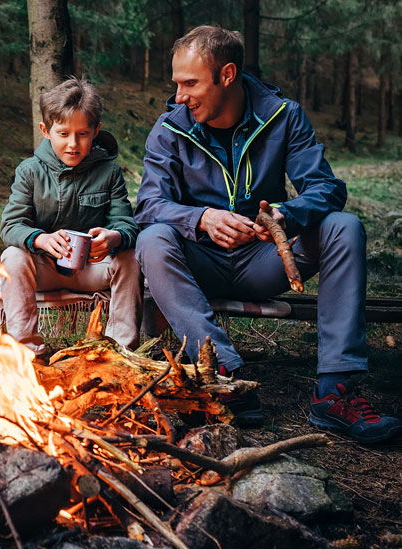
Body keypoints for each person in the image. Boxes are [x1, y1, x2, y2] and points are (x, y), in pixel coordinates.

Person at [135, 25, 400, 443]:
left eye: (190, 83)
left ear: (226, 75)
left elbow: (327, 189)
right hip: (197, 264)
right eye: (177, 84)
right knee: (152, 239)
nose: (180, 96)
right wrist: (202, 218)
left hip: (266, 261)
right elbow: (148, 206)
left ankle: (336, 392)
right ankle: (224, 373)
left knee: (343, 228)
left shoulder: (283, 116)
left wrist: (284, 215)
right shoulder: (170, 129)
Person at [0, 77, 143, 358]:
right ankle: (28, 354)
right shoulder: (29, 171)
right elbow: (10, 225)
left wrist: (113, 237)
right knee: (13, 257)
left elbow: (127, 224)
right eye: (63, 134)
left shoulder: (109, 172)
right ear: (45, 130)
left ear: (96, 131)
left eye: (83, 134)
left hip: (92, 269)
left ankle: (119, 352)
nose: (73, 144)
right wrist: (40, 239)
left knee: (129, 257)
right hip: (45, 270)